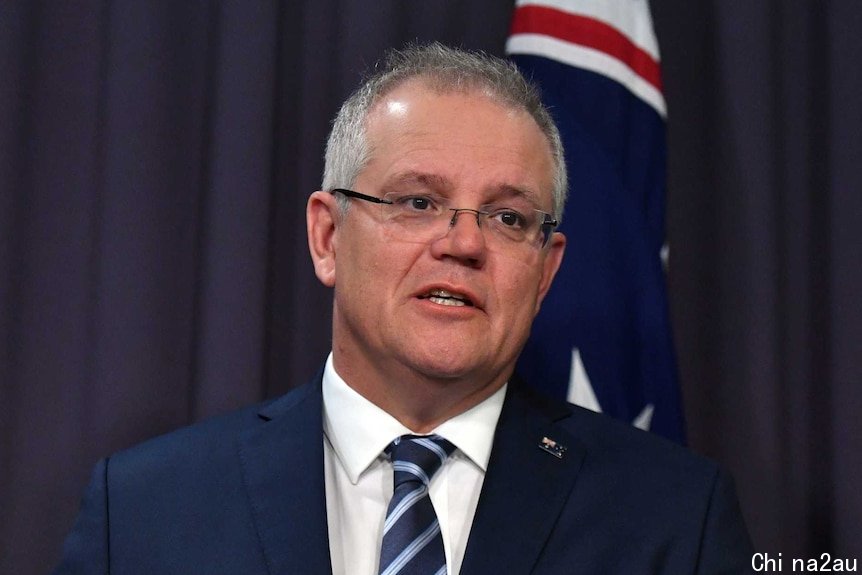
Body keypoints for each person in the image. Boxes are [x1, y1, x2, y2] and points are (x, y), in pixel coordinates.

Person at [55, 43, 754, 574]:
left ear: (546, 271)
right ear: (327, 236)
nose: (464, 243)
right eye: (418, 202)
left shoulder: (674, 518)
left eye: (509, 218)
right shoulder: (145, 510)